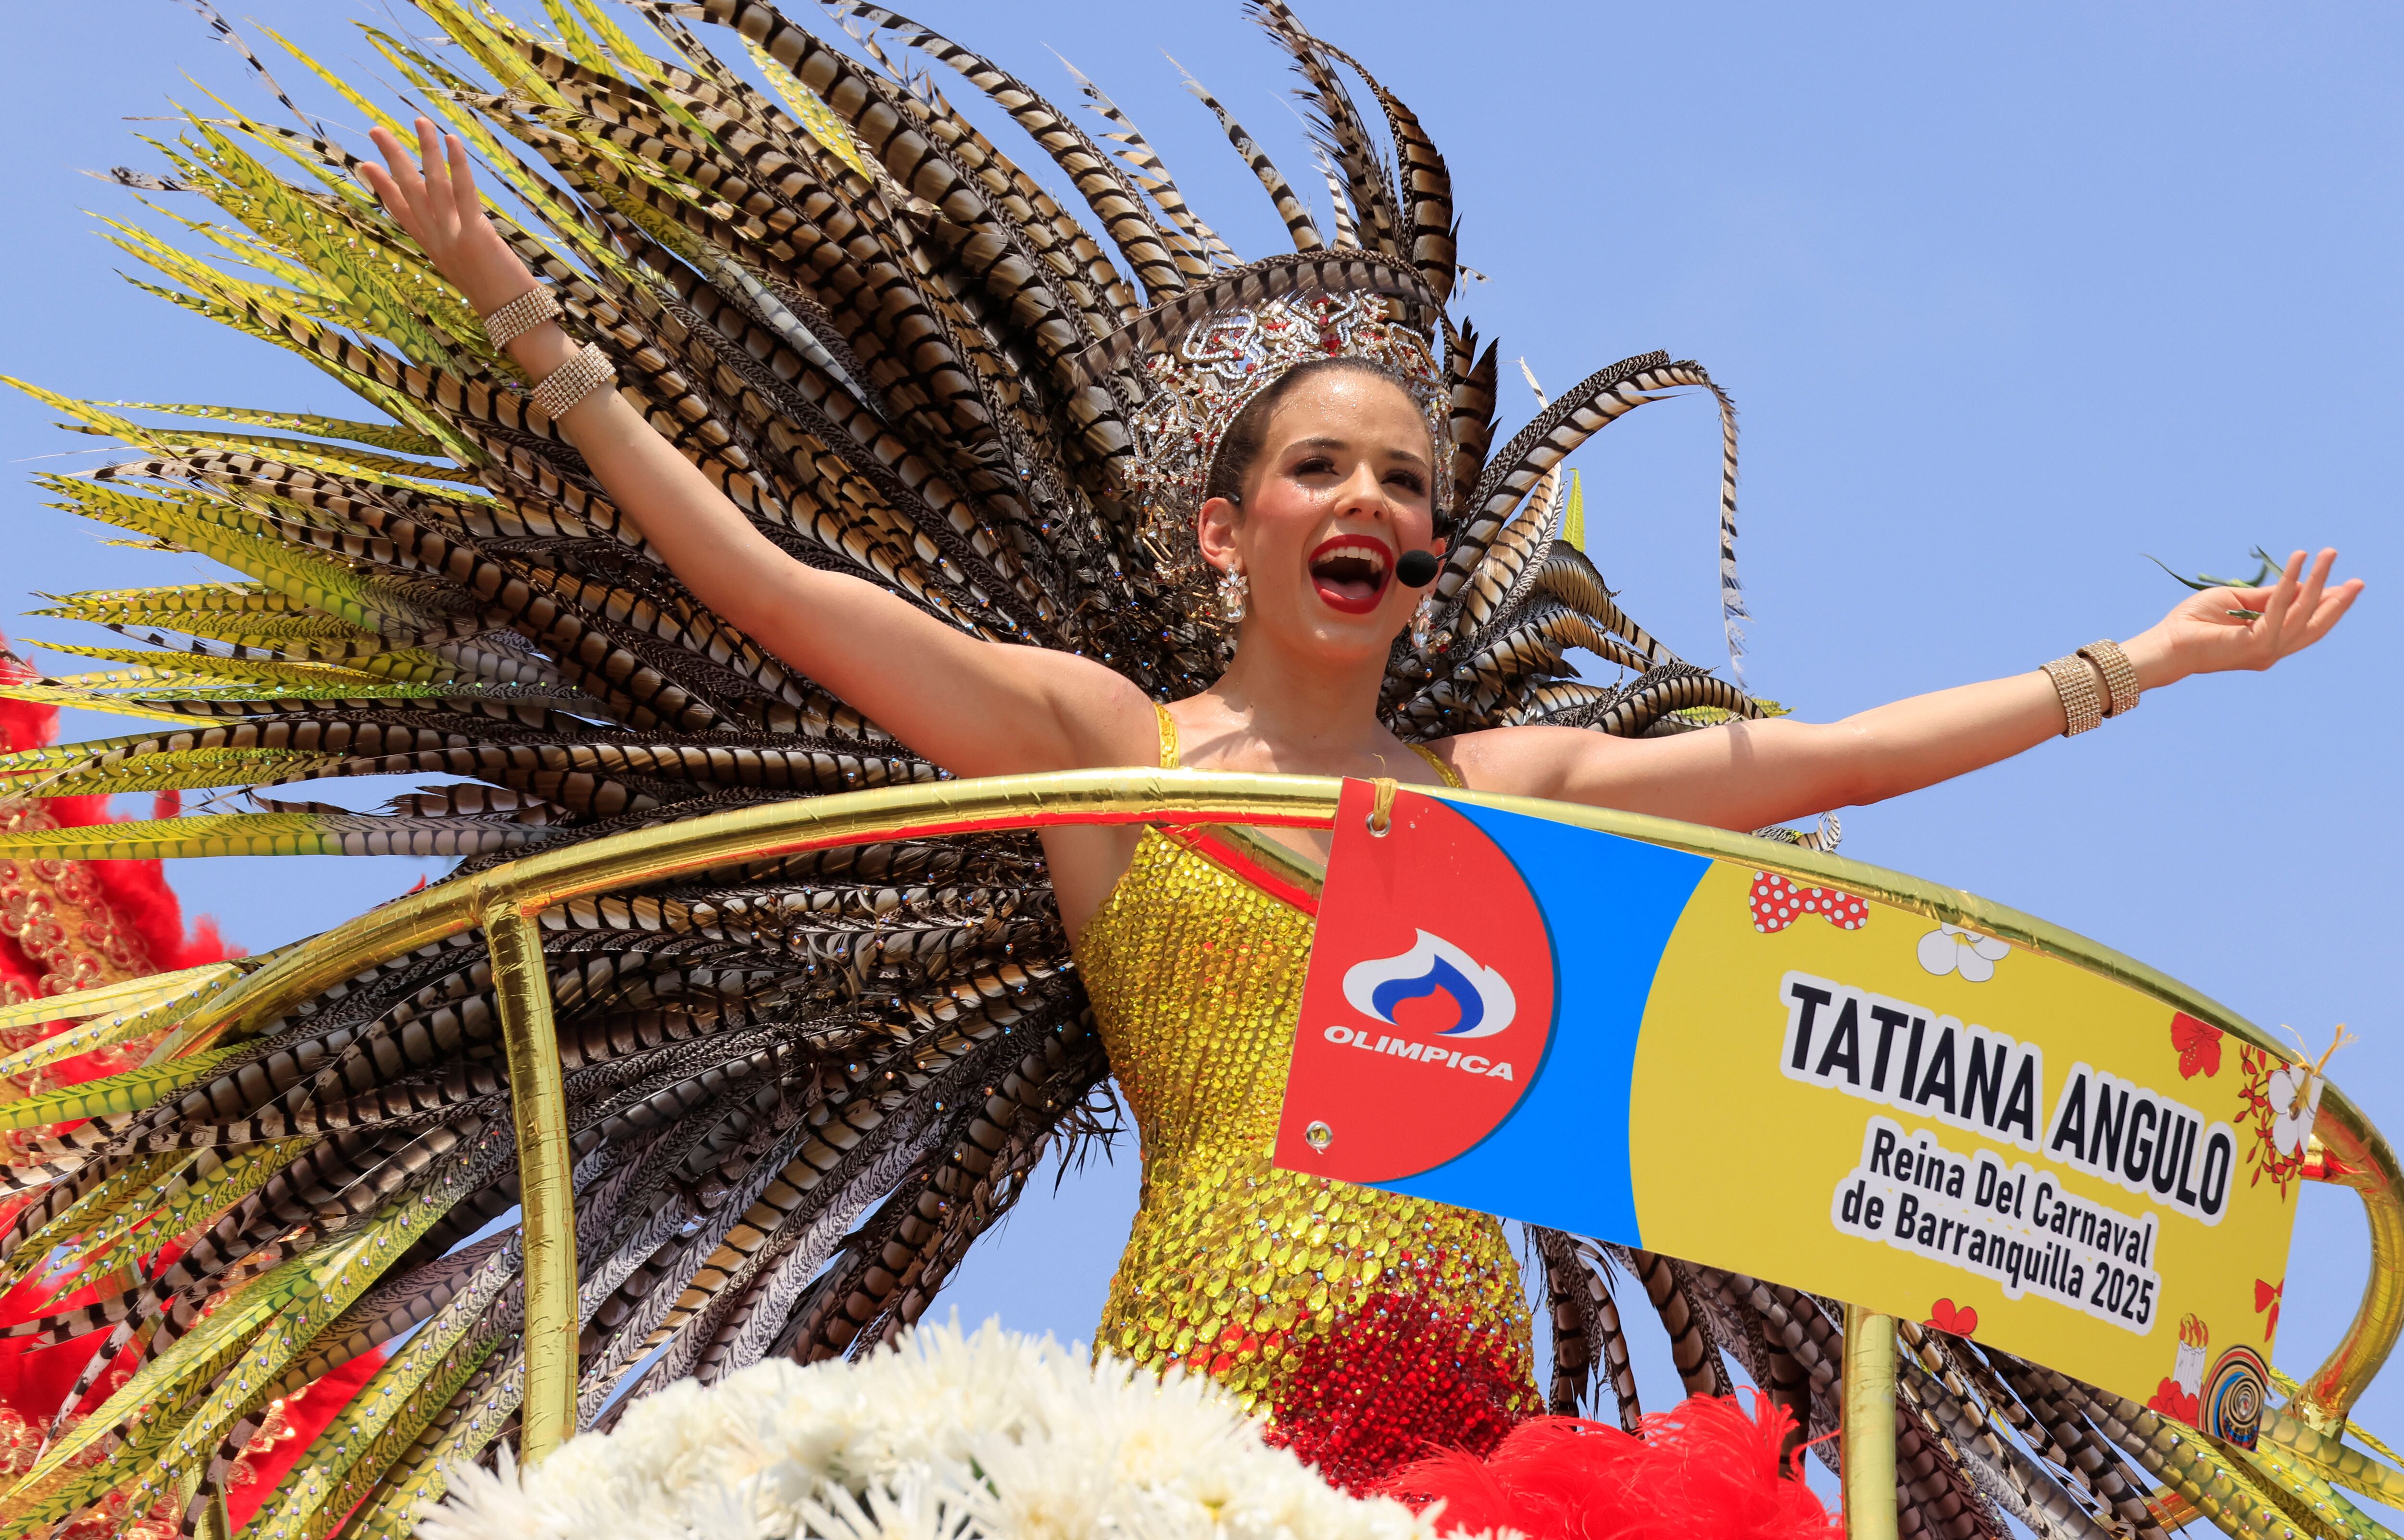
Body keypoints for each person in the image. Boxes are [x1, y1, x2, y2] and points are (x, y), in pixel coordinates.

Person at [0, 2, 2361, 1532]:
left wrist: (2128, 664)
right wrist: (533, 332)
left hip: (1479, 1451)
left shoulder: (1511, 786)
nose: (1375, 510)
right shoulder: (1100, 751)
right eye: (1322, 471)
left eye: (1407, 492)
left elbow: (1815, 754)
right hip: (1194, 1439)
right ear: (1224, 530)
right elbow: (776, 590)